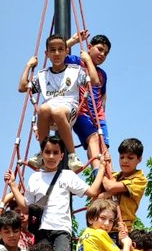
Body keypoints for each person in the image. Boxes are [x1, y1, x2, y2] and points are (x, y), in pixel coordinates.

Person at [4, 135, 107, 251]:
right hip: (42, 229)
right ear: (42, 154)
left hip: (62, 229)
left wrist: (102, 168)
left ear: (62, 156)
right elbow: (25, 207)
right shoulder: (35, 177)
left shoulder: (67, 175)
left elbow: (92, 191)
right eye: (47, 152)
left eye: (55, 152)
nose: (51, 156)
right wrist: (12, 185)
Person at [19, 34, 101, 172]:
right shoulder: (43, 75)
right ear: (47, 54)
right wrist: (28, 66)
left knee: (58, 111)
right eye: (52, 50)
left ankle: (72, 156)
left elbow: (94, 81)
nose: (56, 53)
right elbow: (22, 87)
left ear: (66, 51)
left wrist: (88, 60)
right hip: (49, 113)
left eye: (60, 49)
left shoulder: (74, 71)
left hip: (69, 110)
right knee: (43, 108)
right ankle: (42, 152)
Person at [66, 32, 111, 171]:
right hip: (81, 113)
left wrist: (103, 114)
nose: (102, 54)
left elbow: (102, 95)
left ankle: (110, 176)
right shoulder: (77, 62)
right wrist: (73, 40)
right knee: (93, 138)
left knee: (104, 147)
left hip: (98, 115)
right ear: (89, 47)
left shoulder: (102, 74)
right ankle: (98, 174)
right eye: (100, 49)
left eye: (106, 53)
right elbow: (58, 53)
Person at [101, 139, 148, 232]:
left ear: (139, 159)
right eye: (122, 157)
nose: (125, 161)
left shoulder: (140, 180)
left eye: (130, 158)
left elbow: (110, 187)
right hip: (104, 226)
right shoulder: (114, 176)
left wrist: (101, 173)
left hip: (121, 229)